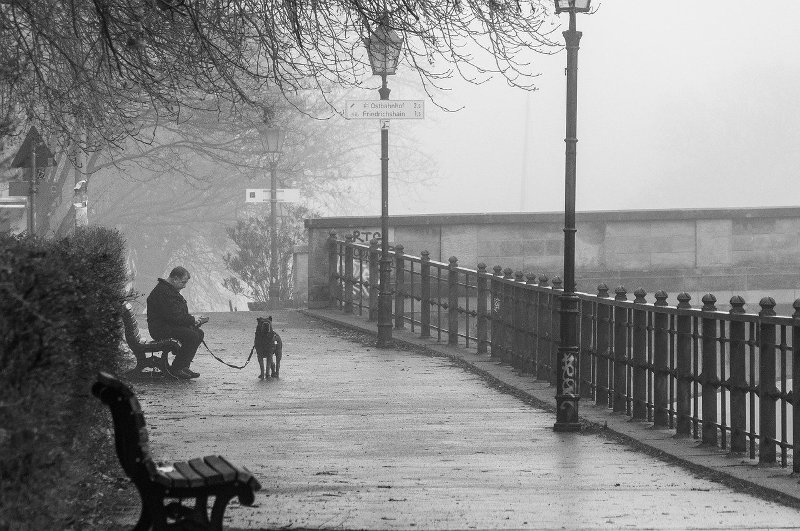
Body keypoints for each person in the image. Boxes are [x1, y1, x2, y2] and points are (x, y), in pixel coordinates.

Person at [146, 266, 209, 379]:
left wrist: (193, 320)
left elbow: (176, 314)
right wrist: (192, 320)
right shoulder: (163, 292)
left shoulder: (168, 290)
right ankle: (177, 369)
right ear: (174, 279)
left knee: (198, 333)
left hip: (166, 326)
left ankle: (183, 366)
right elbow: (174, 317)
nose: (184, 286)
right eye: (183, 282)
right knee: (192, 336)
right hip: (160, 329)